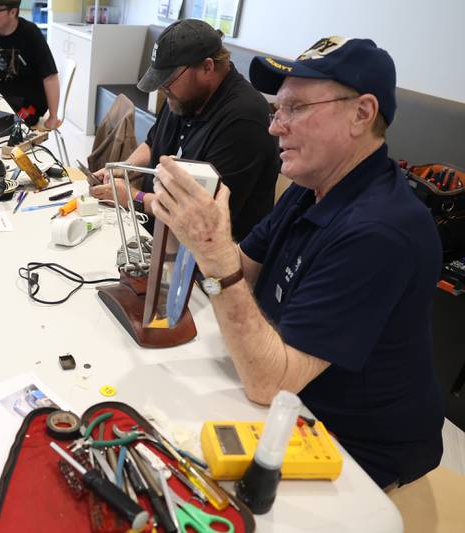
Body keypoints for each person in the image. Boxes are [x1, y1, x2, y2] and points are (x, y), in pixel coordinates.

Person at [151, 37, 443, 488]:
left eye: (296, 109)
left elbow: (269, 382)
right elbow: (240, 267)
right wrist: (181, 228)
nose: (274, 127)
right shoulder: (313, 187)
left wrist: (212, 251)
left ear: (362, 114)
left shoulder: (380, 232)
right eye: (276, 110)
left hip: (354, 449)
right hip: (289, 392)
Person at [90, 19, 279, 241]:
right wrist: (121, 169)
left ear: (207, 67)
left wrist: (134, 197)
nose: (163, 88)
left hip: (207, 255)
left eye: (168, 80)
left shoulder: (244, 120)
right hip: (158, 231)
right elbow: (153, 144)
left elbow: (202, 216)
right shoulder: (183, 95)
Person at [0, 0, 59, 128]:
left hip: (27, 103)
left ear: (13, 12)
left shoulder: (31, 34)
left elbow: (50, 77)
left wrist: (53, 117)